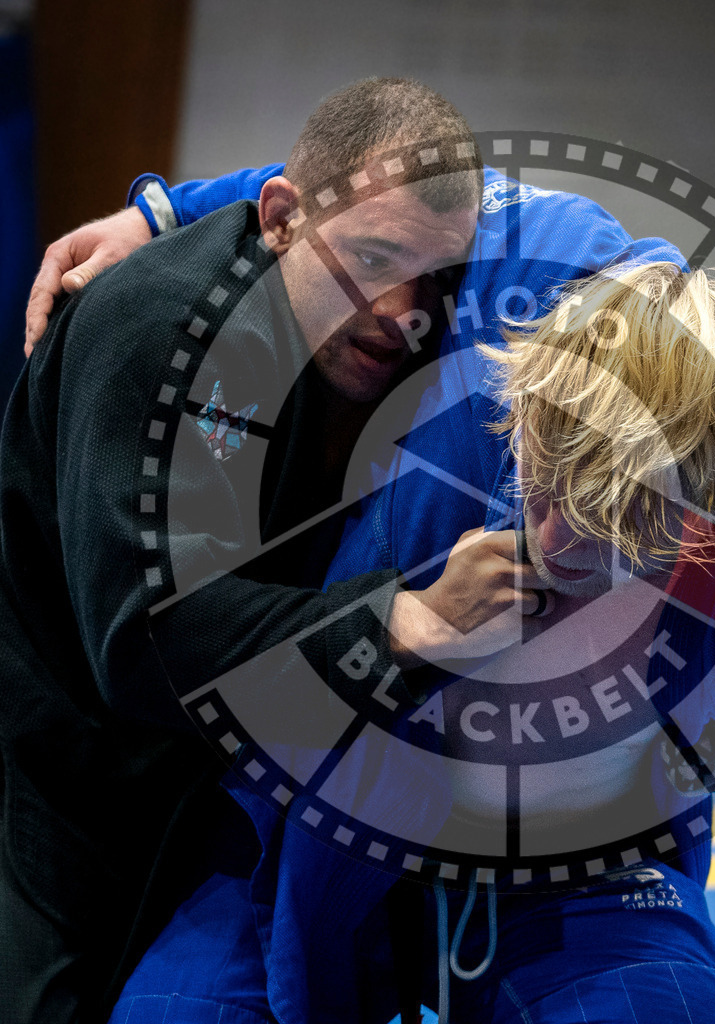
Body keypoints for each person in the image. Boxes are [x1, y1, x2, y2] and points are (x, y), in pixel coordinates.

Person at [111, 264, 715, 1024]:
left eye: (616, 523)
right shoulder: (464, 434)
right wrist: (157, 210)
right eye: (544, 488)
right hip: (304, 846)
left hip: (576, 876)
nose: (554, 544)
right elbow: (344, 181)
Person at [0, 78, 562, 1024]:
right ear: (280, 221)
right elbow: (143, 645)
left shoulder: (381, 303)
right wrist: (407, 621)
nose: (403, 311)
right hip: (59, 778)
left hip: (215, 784)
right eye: (373, 259)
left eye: (435, 275)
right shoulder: (162, 330)